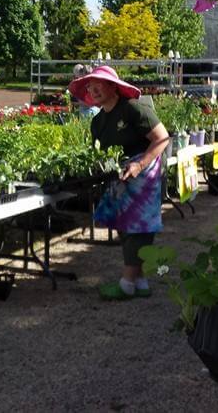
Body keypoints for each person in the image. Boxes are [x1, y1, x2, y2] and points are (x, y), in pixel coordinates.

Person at [68, 65, 170, 301]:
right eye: (89, 86)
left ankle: (126, 284)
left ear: (113, 86)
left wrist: (139, 165)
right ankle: (140, 281)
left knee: (139, 226)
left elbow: (162, 138)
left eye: (98, 84)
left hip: (145, 171)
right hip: (121, 174)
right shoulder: (98, 122)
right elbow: (101, 154)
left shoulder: (133, 109)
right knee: (125, 225)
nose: (93, 89)